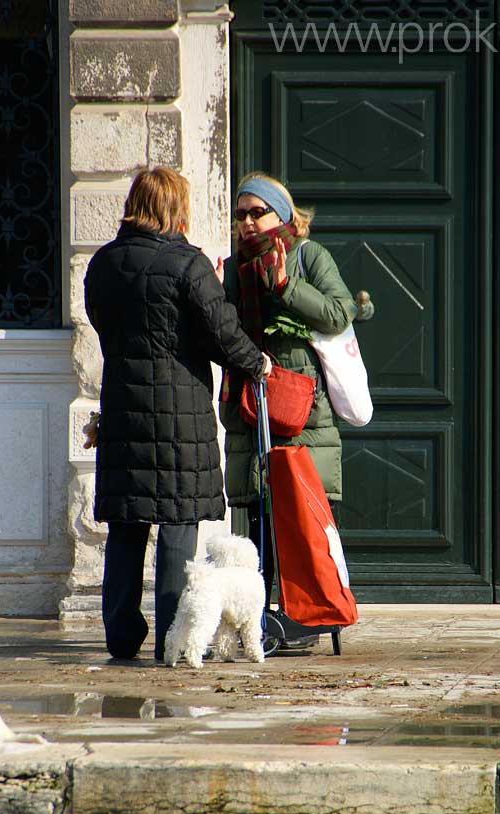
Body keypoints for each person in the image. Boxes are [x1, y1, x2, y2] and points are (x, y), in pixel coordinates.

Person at [84, 166, 271, 662]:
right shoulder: (188, 265)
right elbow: (221, 332)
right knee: (178, 524)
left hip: (124, 409)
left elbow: (104, 330)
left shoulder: (102, 264)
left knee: (126, 524)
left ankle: (121, 638)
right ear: (174, 207)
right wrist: (258, 363)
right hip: (179, 414)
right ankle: (173, 636)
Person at [220, 171, 357, 607]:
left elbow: (339, 313)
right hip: (253, 404)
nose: (246, 222)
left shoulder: (307, 256)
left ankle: (310, 611)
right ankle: (261, 618)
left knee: (303, 519)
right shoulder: (235, 267)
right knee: (259, 520)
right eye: (240, 214)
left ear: (281, 214)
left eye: (256, 212)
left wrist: (285, 286)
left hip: (302, 412)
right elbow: (224, 332)